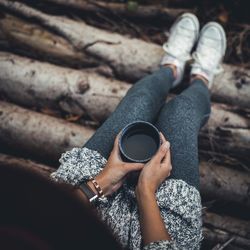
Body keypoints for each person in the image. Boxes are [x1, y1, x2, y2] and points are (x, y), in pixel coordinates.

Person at [51, 13, 226, 250]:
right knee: (180, 111)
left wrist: (101, 182)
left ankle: (171, 69)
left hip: (89, 205)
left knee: (140, 102)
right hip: (161, 232)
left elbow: (48, 216)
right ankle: (201, 78)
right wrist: (146, 189)